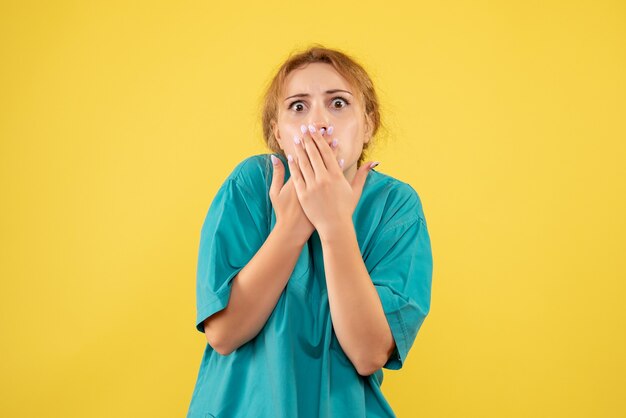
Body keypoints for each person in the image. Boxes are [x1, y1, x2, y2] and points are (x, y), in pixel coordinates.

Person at [186, 45, 433, 418]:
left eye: (338, 103)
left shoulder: (396, 207)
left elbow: (369, 353)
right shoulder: (252, 185)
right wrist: (292, 225)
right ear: (279, 134)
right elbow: (224, 333)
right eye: (298, 106)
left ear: (367, 125)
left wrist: (334, 226)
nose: (318, 121)